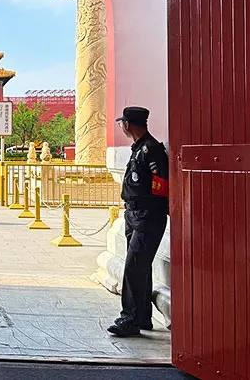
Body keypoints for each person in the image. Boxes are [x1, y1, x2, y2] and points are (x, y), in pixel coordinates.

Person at [107, 107, 169, 337]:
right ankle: (142, 316)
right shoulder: (139, 149)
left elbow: (160, 184)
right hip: (134, 215)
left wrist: (149, 209)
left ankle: (129, 318)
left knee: (134, 267)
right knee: (140, 268)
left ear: (127, 124)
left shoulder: (151, 149)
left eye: (122, 123)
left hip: (147, 216)